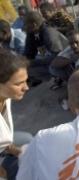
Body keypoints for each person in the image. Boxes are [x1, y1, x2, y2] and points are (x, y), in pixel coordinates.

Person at [0, 49, 33, 180]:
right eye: (19, 84)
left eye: (26, 81)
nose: (26, 88)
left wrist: (13, 149)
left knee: (28, 141)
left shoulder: (5, 97)